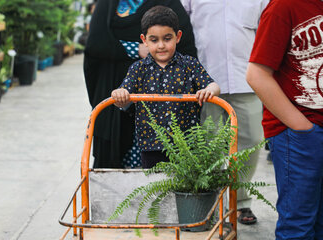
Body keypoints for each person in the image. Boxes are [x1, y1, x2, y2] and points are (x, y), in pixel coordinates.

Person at [180, 0, 269, 225]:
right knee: (209, 146)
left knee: (252, 141)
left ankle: (239, 201)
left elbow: (268, 28)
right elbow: (179, 20)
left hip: (247, 78)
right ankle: (211, 201)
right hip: (205, 80)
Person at [84, 0, 197, 168]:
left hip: (161, 103)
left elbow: (185, 49)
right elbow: (95, 43)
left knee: (161, 171)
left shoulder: (168, 3)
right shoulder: (108, 4)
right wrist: (134, 50)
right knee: (115, 170)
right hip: (114, 96)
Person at [246, 0, 323, 238]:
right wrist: (302, 127)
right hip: (300, 132)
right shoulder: (284, 5)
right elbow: (257, 74)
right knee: (298, 226)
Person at [111, 5, 220, 168]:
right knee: (155, 189)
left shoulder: (189, 64)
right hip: (151, 146)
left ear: (178, 37)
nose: (161, 45)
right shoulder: (138, 69)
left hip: (186, 145)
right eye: (154, 40)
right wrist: (119, 95)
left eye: (167, 38)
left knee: (185, 189)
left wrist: (208, 91)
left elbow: (213, 85)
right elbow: (123, 95)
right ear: (144, 40)